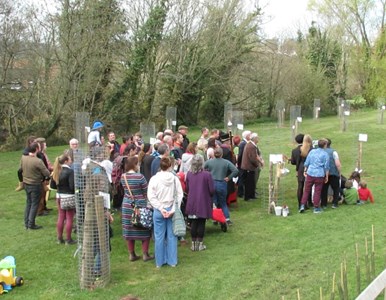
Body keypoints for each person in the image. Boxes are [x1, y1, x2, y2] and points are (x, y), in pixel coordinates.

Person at [148, 157, 184, 268]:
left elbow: (151, 196)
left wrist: (160, 207)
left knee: (159, 236)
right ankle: (172, 261)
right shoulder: (174, 179)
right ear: (170, 166)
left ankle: (159, 262)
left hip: (159, 210)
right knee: (172, 236)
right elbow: (179, 195)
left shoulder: (154, 179)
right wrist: (172, 209)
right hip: (169, 208)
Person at [121, 156, 154, 262]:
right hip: (140, 205)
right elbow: (146, 191)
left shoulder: (123, 177)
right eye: (138, 164)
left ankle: (132, 254)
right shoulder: (140, 177)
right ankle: (145, 254)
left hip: (127, 204)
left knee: (129, 229)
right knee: (144, 227)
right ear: (134, 165)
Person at [185, 155, 214, 251]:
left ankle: (193, 244)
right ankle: (200, 244)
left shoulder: (189, 174)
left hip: (192, 201)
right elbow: (212, 190)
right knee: (201, 222)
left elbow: (187, 188)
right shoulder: (207, 175)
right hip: (203, 201)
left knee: (193, 222)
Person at [21, 142, 51, 229]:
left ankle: (26, 223)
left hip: (26, 183)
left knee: (28, 203)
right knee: (34, 204)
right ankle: (31, 224)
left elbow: (20, 168)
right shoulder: (37, 161)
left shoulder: (23, 158)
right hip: (35, 184)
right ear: (37, 149)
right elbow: (46, 172)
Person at [204, 147, 238, 225]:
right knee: (223, 202)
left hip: (212, 184)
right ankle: (227, 219)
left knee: (214, 202)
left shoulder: (209, 162)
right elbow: (235, 170)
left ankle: (215, 219)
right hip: (222, 183)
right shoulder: (226, 162)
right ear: (222, 154)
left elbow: (202, 169)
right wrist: (229, 177)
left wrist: (207, 176)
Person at [51, 154, 76, 245]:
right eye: (70, 160)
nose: (71, 161)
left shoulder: (56, 171)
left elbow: (52, 186)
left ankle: (59, 238)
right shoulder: (70, 172)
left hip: (59, 196)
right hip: (68, 197)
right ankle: (68, 239)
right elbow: (72, 186)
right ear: (65, 161)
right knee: (69, 218)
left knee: (61, 217)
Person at [299, 139, 330, 214]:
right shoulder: (325, 154)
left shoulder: (312, 151)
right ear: (325, 145)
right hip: (319, 174)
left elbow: (307, 162)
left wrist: (305, 170)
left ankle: (302, 205)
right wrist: (326, 176)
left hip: (310, 173)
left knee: (306, 190)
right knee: (317, 191)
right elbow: (326, 167)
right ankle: (316, 207)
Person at [321, 138, 342, 209]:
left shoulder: (320, 151)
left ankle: (324, 204)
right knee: (336, 188)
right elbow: (337, 164)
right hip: (333, 173)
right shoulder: (334, 152)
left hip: (323, 173)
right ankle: (335, 203)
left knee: (324, 189)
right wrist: (339, 172)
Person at [241, 133, 260, 201]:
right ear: (254, 139)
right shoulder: (251, 146)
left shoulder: (251, 145)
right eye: (257, 138)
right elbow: (252, 158)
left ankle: (252, 195)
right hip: (248, 167)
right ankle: (247, 197)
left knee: (251, 182)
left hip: (249, 167)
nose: (258, 139)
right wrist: (257, 164)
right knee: (248, 183)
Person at [237, 130, 251, 198]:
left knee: (244, 178)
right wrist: (239, 164)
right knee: (241, 178)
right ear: (247, 136)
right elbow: (240, 155)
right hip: (242, 164)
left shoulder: (245, 143)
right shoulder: (243, 144)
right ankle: (240, 193)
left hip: (244, 164)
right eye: (250, 135)